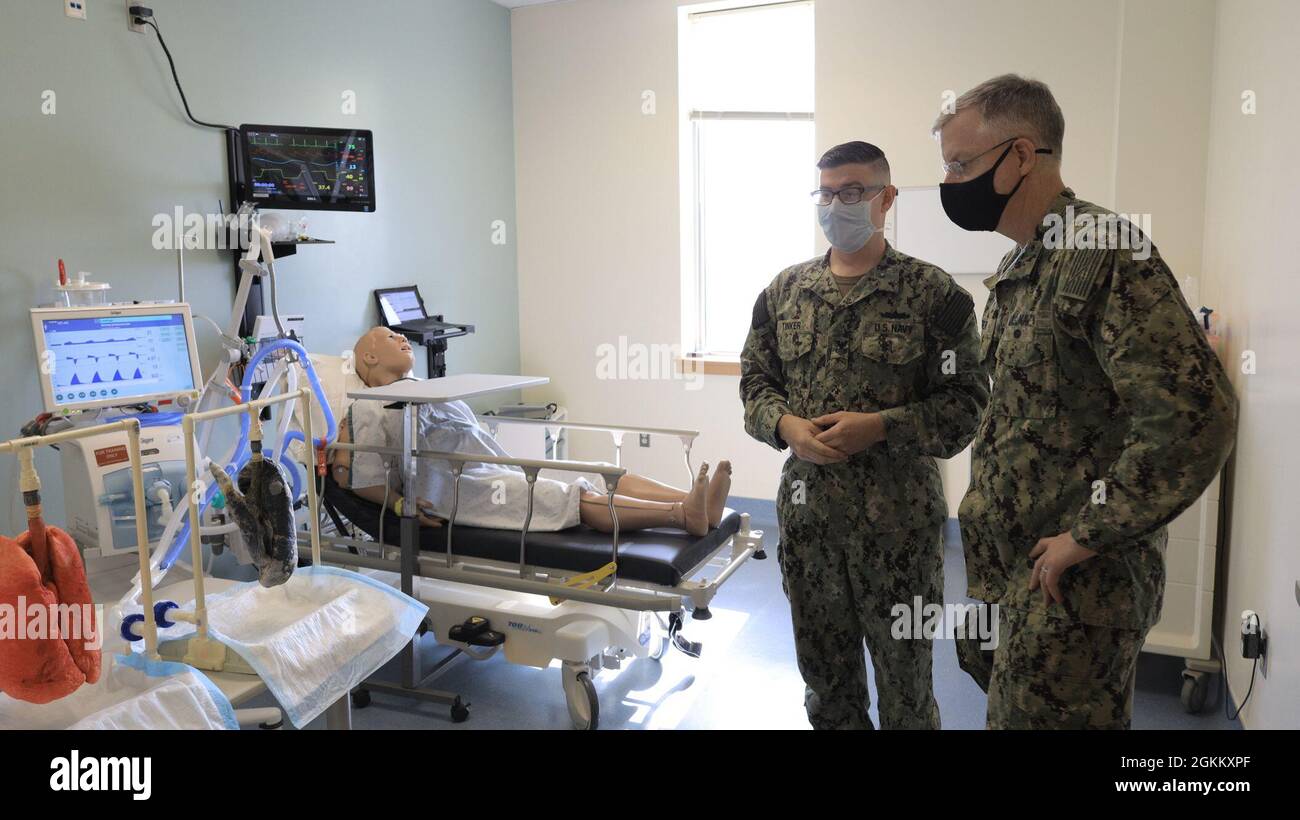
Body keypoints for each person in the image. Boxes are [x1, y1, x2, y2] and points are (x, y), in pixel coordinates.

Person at [933, 74, 1237, 729]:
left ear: (1020, 156)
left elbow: (1195, 415)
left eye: (961, 165)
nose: (950, 184)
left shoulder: (1103, 252)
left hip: (1075, 585)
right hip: (1010, 567)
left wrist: (1088, 535)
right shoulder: (1022, 265)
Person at [740, 141, 988, 729]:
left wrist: (880, 428)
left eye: (852, 191)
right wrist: (784, 426)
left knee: (907, 693)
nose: (836, 204)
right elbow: (755, 384)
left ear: (887, 198)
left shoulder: (936, 297)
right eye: (826, 192)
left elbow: (965, 406)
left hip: (899, 534)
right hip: (809, 528)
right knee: (827, 690)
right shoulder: (784, 294)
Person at [331, 327, 733, 535]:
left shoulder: (430, 389)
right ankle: (682, 516)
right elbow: (361, 479)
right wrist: (401, 506)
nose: (402, 337)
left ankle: (696, 501)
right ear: (367, 355)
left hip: (494, 468)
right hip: (455, 490)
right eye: (388, 336)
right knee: (565, 495)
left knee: (596, 469)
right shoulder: (368, 405)